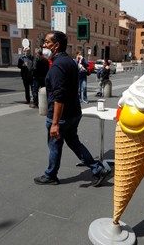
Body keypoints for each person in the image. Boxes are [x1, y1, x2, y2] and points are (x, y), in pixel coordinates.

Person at [33, 31, 110, 186]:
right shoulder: (69, 61)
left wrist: (54, 123)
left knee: (55, 145)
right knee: (74, 142)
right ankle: (97, 168)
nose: (44, 45)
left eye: (47, 42)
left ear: (56, 45)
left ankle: (50, 175)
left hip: (61, 117)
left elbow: (59, 97)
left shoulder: (57, 66)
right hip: (74, 112)